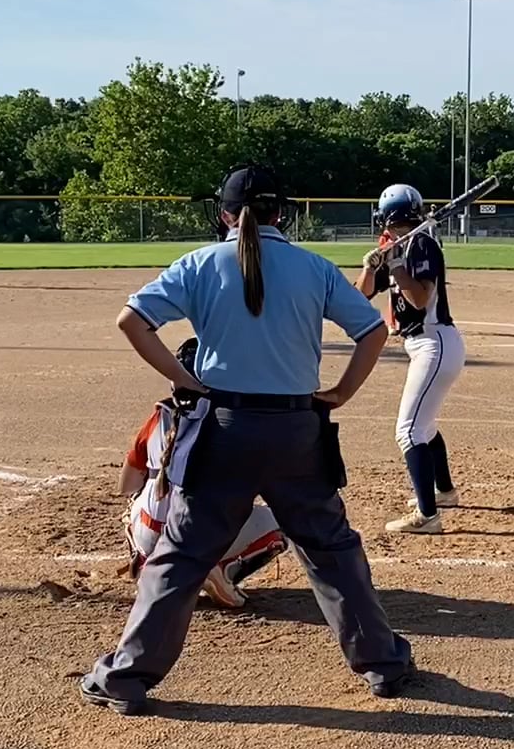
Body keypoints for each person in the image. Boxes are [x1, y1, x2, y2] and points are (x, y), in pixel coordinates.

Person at [81, 165, 413, 714]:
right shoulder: (313, 267)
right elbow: (373, 331)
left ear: (225, 214)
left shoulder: (200, 263)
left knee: (181, 557)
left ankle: (126, 677)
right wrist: (340, 393)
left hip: (223, 429)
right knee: (332, 551)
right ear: (281, 213)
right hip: (297, 430)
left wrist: (185, 380)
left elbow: (131, 321)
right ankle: (383, 664)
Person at [120, 338, 291, 610]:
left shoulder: (159, 416)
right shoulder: (233, 422)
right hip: (197, 536)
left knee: (137, 502)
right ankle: (222, 568)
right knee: (283, 518)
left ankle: (147, 564)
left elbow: (127, 485)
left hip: (150, 534)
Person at [359, 184, 463, 535]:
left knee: (409, 431)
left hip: (435, 342)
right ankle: (444, 492)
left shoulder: (422, 245)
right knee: (424, 426)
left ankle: (427, 516)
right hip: (424, 346)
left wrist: (397, 265)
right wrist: (371, 266)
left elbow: (419, 299)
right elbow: (361, 295)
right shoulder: (399, 246)